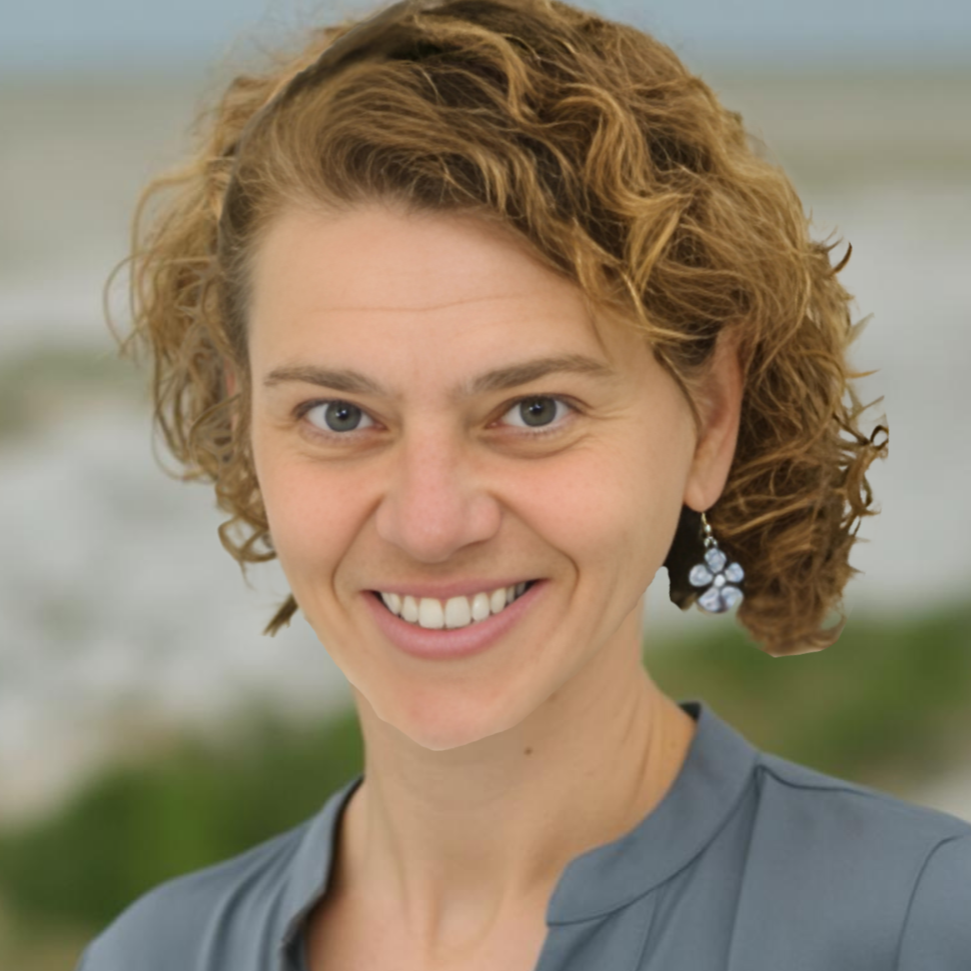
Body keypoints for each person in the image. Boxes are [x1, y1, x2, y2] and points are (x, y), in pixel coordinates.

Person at [76, 1, 969, 969]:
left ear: (709, 416)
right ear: (243, 420)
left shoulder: (923, 924)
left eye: (532, 410)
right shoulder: (151, 953)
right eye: (339, 414)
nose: (429, 521)